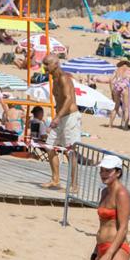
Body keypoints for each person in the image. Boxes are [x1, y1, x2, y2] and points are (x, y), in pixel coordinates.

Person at [42, 54, 80, 192]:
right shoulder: (54, 79)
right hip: (60, 117)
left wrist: (57, 117)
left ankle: (74, 185)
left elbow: (69, 99)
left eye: (47, 64)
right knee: (49, 146)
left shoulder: (64, 78)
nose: (44, 67)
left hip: (69, 117)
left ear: (55, 64)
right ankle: (55, 179)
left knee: (70, 152)